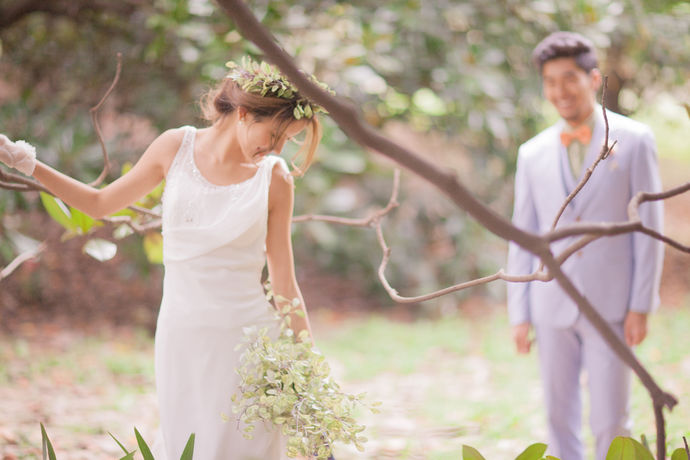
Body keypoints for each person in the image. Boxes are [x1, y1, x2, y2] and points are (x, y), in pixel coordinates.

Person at [0, 57, 325, 460]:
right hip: (183, 335)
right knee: (188, 444)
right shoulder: (176, 146)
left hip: (252, 342)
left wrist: (310, 373)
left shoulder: (275, 178)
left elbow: (284, 284)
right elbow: (100, 204)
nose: (275, 149)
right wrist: (26, 162)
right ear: (243, 114)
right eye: (274, 135)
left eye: (286, 141)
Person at [506, 32, 664, 460]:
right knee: (558, 415)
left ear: (594, 79)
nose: (560, 90)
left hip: (611, 305)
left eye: (570, 78)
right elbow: (524, 235)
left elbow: (648, 229)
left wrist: (641, 304)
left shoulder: (636, 140)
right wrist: (519, 311)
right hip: (551, 305)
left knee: (612, 420)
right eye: (551, 81)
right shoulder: (531, 153)